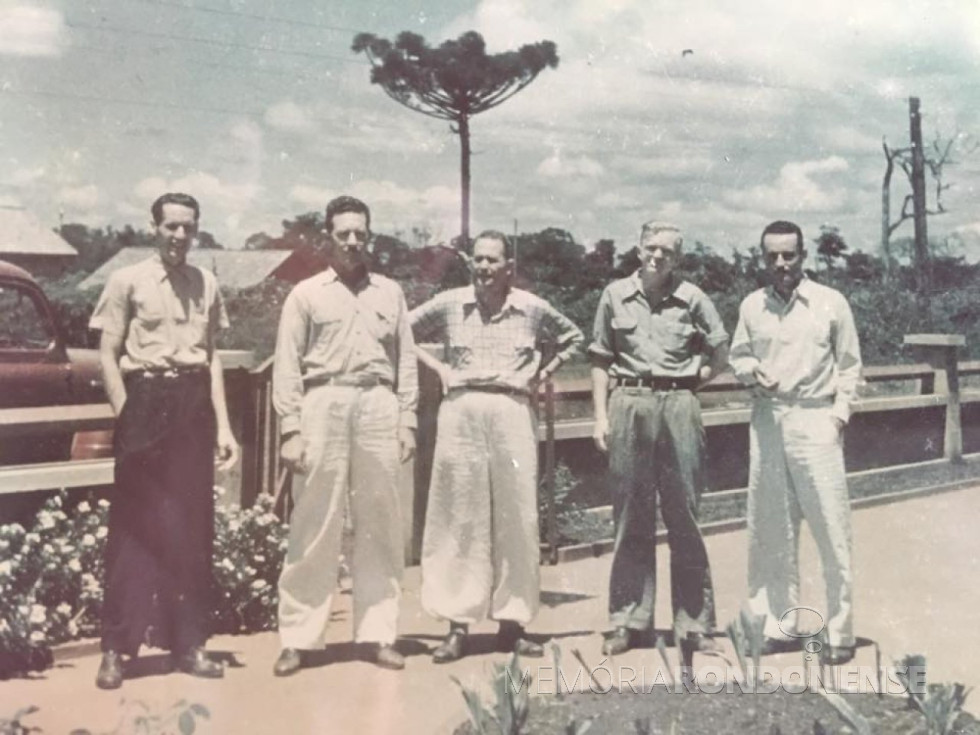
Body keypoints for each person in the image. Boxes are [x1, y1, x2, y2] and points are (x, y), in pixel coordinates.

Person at [410, 230, 583, 663]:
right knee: (458, 517)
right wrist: (438, 367)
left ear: (509, 267)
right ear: (471, 264)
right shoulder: (450, 303)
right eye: (479, 260)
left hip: (512, 408)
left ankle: (513, 624)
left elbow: (575, 337)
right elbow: (399, 329)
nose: (485, 268)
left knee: (518, 516)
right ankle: (457, 626)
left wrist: (540, 374)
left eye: (494, 261)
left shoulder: (531, 307)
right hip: (462, 408)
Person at [90, 192, 239, 690]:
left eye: (188, 228)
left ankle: (188, 644)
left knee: (191, 530)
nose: (180, 236)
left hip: (193, 405)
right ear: (153, 227)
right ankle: (116, 649)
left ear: (197, 231)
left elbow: (213, 357)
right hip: (145, 403)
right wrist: (125, 411)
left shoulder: (206, 282)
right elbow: (108, 353)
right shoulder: (126, 280)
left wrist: (223, 425)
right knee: (133, 531)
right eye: (171, 226)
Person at [271, 196, 417, 676]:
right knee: (315, 521)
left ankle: (378, 633)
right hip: (323, 403)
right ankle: (299, 637)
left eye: (360, 233)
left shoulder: (390, 293)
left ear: (369, 236)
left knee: (380, 522)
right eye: (343, 234)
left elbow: (407, 362)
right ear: (327, 238)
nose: (353, 242)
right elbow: (287, 366)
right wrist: (290, 429)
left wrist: (407, 420)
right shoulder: (306, 294)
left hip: (377, 403)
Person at [590, 221, 728, 656]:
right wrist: (599, 416)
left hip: (678, 405)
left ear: (678, 258)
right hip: (628, 402)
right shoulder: (614, 295)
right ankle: (628, 621)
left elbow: (721, 349)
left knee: (684, 513)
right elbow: (599, 357)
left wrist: (693, 382)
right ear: (638, 249)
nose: (657, 256)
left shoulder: (692, 298)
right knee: (631, 514)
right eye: (651, 248)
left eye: (667, 251)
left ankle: (694, 624)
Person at [730, 220, 862, 665]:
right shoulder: (752, 306)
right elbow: (739, 354)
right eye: (772, 256)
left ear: (803, 256)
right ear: (762, 258)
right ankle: (779, 626)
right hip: (768, 421)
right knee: (771, 529)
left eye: (789, 255)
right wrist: (750, 371)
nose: (781, 264)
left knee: (831, 527)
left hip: (815, 419)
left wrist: (837, 419)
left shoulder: (830, 303)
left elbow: (849, 367)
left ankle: (840, 632)